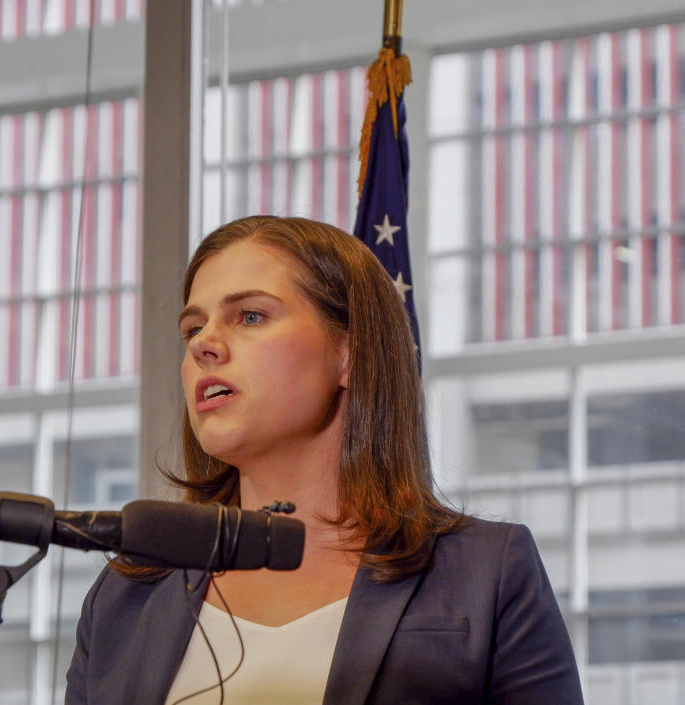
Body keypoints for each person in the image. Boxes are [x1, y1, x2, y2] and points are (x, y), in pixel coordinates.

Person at [65, 216, 584, 705]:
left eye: (250, 316)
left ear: (349, 355)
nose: (205, 345)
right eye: (192, 329)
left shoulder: (486, 572)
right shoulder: (126, 592)